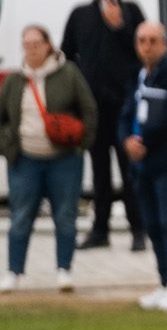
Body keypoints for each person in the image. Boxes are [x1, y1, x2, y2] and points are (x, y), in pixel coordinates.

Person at [0, 25, 96, 292]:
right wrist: (7, 146)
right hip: (25, 160)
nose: (30, 50)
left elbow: (89, 108)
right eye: (26, 45)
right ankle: (13, 271)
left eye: (35, 44)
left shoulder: (68, 74)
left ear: (48, 45)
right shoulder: (15, 80)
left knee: (65, 215)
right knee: (20, 216)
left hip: (64, 160)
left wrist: (82, 143)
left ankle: (64, 269)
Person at [60, 0, 146, 251]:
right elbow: (67, 54)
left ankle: (138, 229)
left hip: (124, 105)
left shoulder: (131, 10)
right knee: (99, 172)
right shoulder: (80, 15)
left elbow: (141, 49)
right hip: (94, 108)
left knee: (129, 170)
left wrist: (119, 25)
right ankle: (100, 230)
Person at [120, 22, 167, 312]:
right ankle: (164, 282)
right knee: (151, 224)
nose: (146, 46)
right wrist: (126, 140)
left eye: (152, 41)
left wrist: (144, 140)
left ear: (163, 43)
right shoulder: (138, 76)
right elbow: (125, 113)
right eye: (141, 41)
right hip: (143, 164)